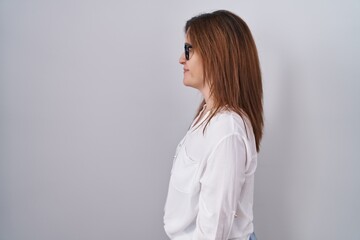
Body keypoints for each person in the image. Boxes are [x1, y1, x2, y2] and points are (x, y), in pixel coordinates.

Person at [163, 10, 263, 240]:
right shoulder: (209, 117)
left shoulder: (226, 130)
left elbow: (213, 232)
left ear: (215, 55)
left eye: (189, 49)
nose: (181, 58)